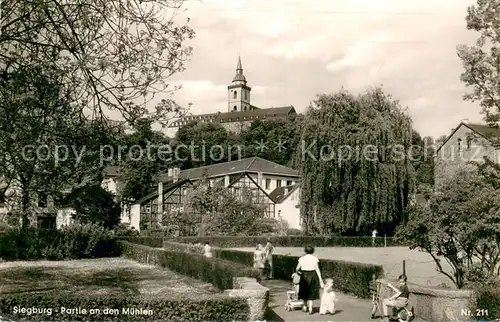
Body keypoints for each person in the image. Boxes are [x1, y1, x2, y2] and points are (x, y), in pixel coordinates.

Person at [296, 246, 324, 315]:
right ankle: (311, 308)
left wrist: (298, 272)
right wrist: (320, 279)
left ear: (305, 251)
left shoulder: (302, 258)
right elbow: (317, 269)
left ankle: (305, 306)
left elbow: (297, 268)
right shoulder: (315, 259)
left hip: (304, 275)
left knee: (304, 291)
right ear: (313, 251)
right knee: (311, 292)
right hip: (312, 275)